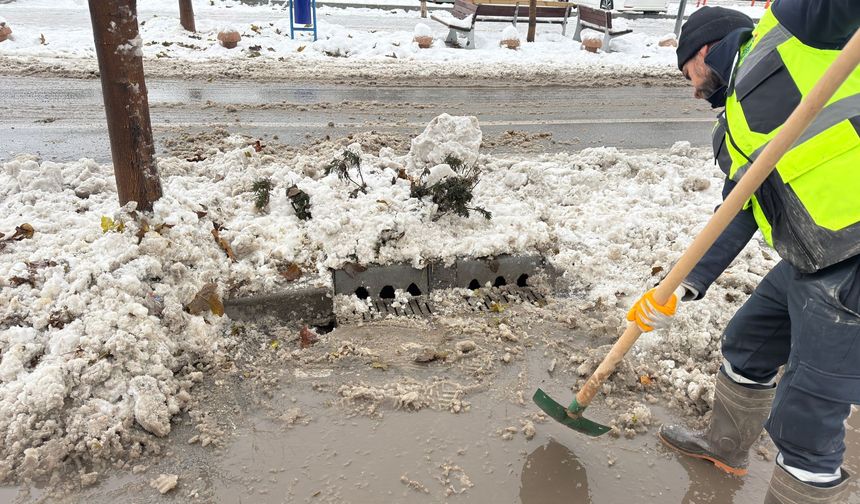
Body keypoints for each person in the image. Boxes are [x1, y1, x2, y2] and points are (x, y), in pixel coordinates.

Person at [625, 2, 860, 503]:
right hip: (814, 255)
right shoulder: (734, 125)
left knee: (807, 417)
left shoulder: (793, 32)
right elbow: (738, 209)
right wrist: (679, 285)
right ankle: (724, 446)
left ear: (705, 49)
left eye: (686, 69)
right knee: (748, 345)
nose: (691, 86)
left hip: (854, 256)